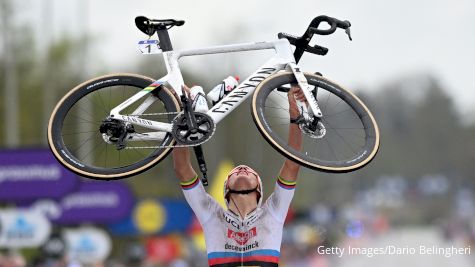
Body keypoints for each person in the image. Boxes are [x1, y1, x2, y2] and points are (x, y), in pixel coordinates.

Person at [173, 85, 306, 267]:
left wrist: (293, 108)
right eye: (237, 171)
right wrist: (183, 117)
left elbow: (292, 164)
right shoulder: (212, 215)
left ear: (259, 190)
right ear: (227, 190)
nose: (242, 169)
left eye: (247, 171)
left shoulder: (273, 212)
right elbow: (183, 169)